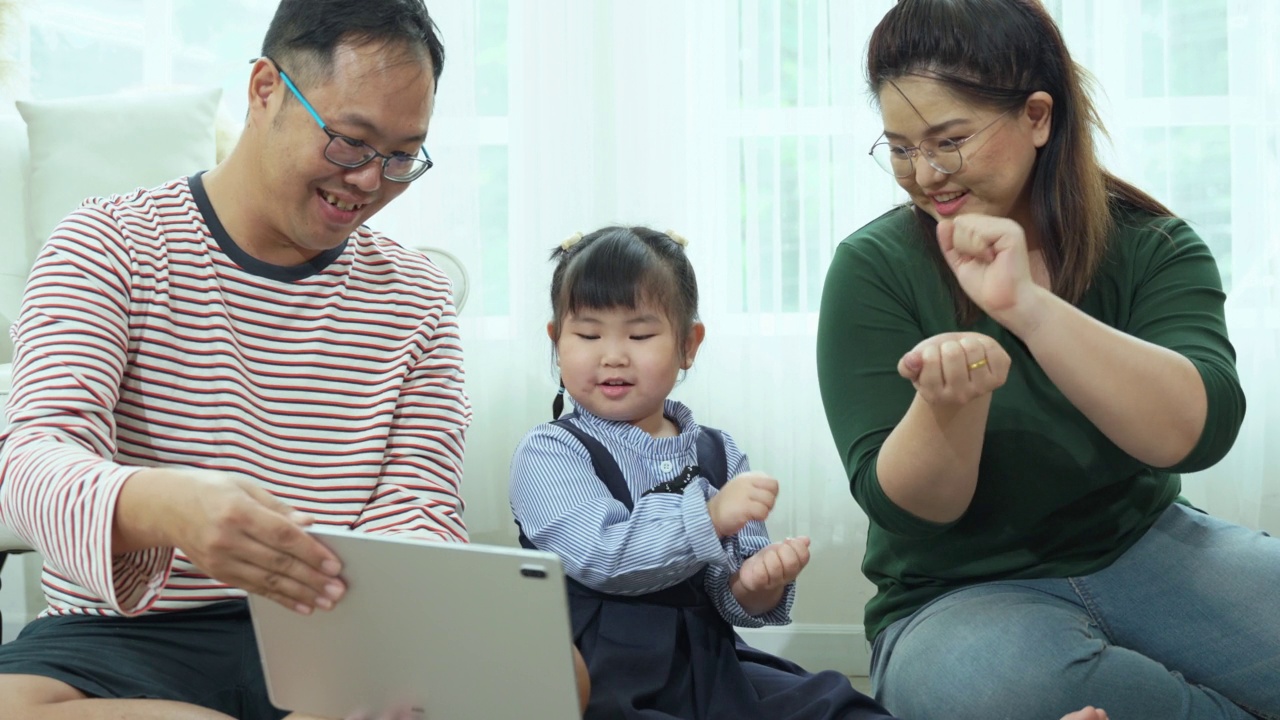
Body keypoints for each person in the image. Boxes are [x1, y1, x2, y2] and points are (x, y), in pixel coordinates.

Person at [0, 1, 591, 718]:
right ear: (265, 89)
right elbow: (31, 459)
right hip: (123, 640)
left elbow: (422, 503)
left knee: (557, 674)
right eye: (350, 140)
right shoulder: (108, 243)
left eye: (403, 156)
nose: (372, 181)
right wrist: (166, 506)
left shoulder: (416, 296)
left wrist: (392, 641)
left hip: (333, 629)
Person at [816, 1, 1280, 719]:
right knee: (1009, 692)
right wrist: (949, 403)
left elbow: (1196, 432)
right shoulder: (872, 267)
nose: (924, 173)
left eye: (949, 140)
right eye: (901, 148)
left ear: (1037, 116)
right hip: (954, 596)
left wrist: (1030, 309)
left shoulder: (1153, 245)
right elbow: (908, 509)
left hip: (1147, 546)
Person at [510, 225, 898, 719]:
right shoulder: (549, 451)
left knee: (839, 707)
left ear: (689, 344)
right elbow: (602, 557)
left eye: (640, 334)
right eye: (587, 334)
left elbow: (733, 600)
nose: (612, 355)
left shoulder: (719, 450)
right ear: (556, 342)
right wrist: (710, 516)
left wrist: (757, 585)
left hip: (709, 661)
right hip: (601, 667)